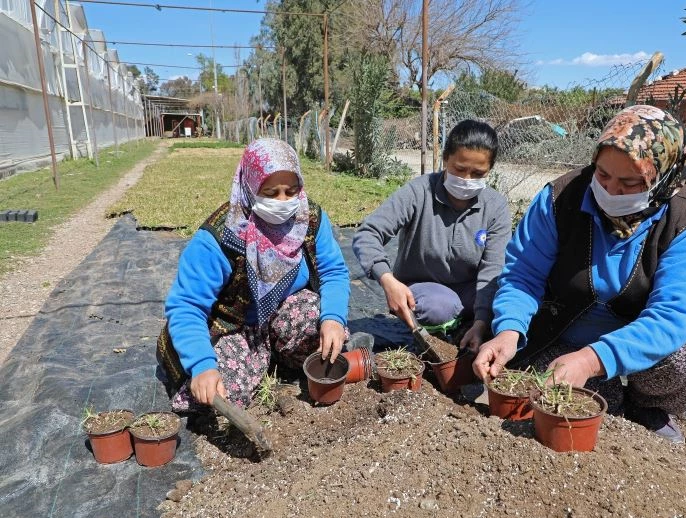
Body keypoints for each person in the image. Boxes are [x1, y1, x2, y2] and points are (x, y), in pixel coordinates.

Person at [473, 105, 686, 443]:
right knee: (576, 400)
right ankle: (611, 396)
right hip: (564, 332)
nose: (611, 192)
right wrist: (508, 330)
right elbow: (523, 274)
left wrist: (593, 359)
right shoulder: (559, 198)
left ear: (664, 178)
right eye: (603, 175)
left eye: (630, 183)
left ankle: (648, 406)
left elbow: (672, 316)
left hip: (644, 345)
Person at [157, 138, 350, 411]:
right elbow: (187, 306)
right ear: (249, 187)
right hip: (230, 326)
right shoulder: (220, 237)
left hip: (281, 315)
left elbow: (333, 272)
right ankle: (251, 359)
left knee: (324, 332)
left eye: (291, 191)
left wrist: (333, 319)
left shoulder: (309, 218)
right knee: (223, 393)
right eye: (271, 193)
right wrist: (201, 364)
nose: (283, 201)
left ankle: (271, 354)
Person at [352, 119, 512, 354]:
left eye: (478, 173)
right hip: (424, 293)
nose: (466, 179)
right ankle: (450, 325)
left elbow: (493, 269)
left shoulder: (495, 206)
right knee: (440, 306)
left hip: (471, 293)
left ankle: (469, 325)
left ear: (490, 170)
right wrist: (387, 280)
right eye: (459, 169)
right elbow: (368, 233)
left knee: (508, 299)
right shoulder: (419, 191)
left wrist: (482, 322)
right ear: (446, 159)